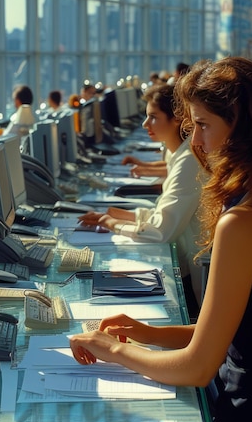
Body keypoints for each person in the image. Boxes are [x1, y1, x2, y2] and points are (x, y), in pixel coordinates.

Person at [69, 57, 252, 422]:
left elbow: (198, 367)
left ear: (244, 129)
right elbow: (244, 336)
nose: (196, 141)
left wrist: (112, 351)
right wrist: (146, 332)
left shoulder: (243, 223)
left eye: (203, 125)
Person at [76, 83, 205, 311]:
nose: (145, 124)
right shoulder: (182, 156)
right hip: (189, 267)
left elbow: (163, 231)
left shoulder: (189, 161)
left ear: (177, 118)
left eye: (153, 117)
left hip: (195, 279)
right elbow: (167, 214)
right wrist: (126, 216)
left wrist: (114, 224)